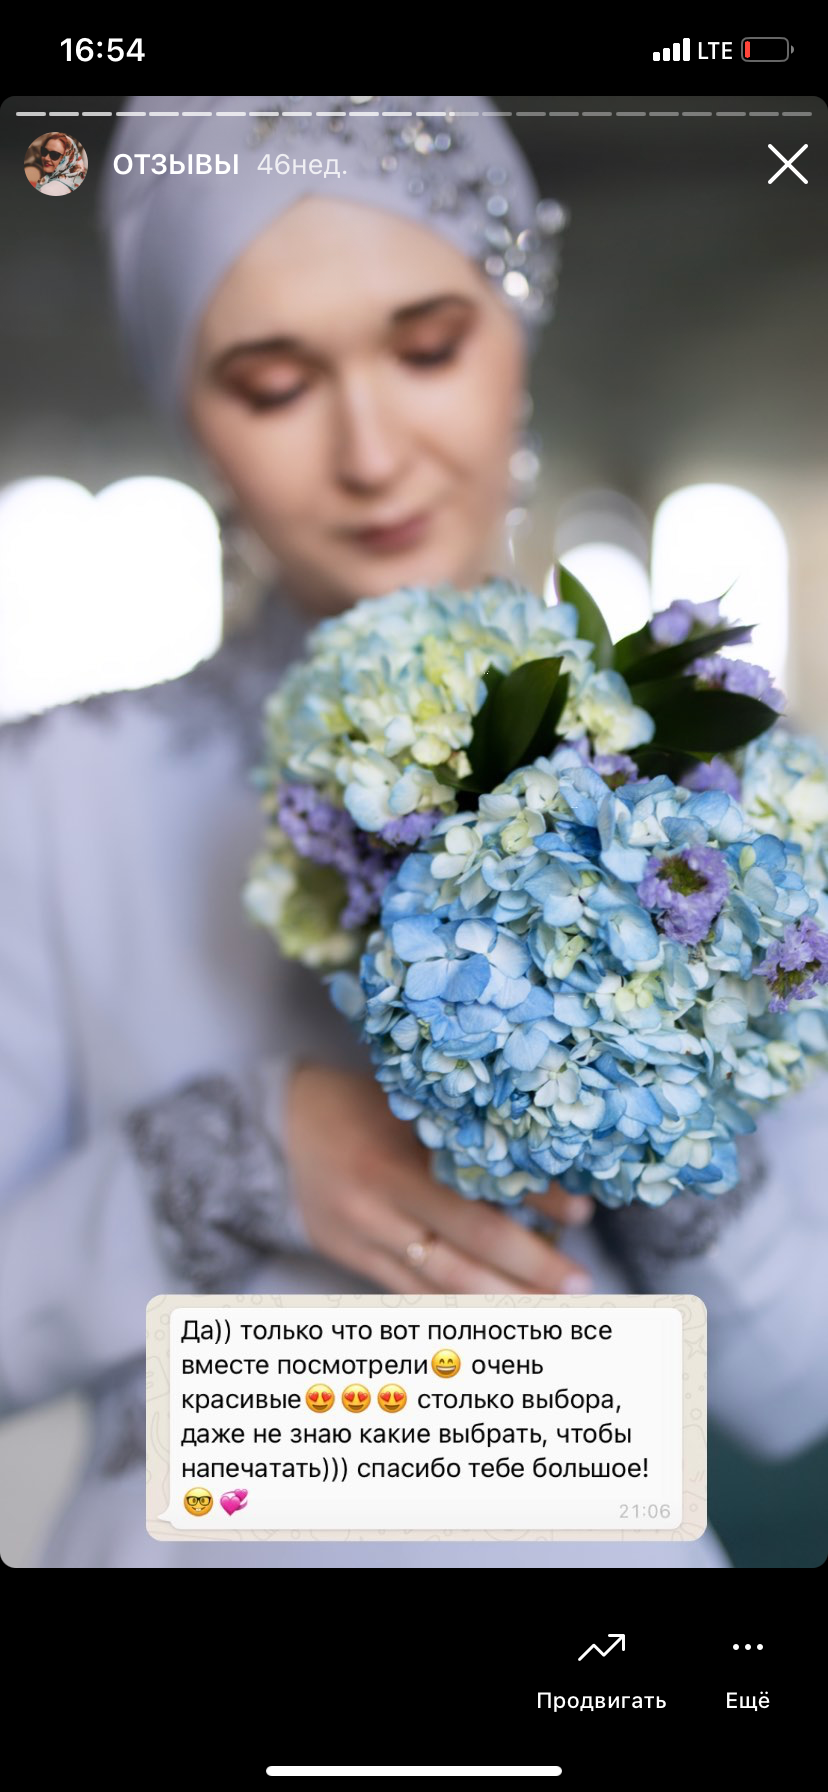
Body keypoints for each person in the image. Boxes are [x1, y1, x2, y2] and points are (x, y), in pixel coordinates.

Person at [1, 96, 826, 1570]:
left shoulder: (725, 797)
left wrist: (659, 1093)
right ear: (187, 409)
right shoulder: (57, 797)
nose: (372, 450)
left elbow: (789, 1393)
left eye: (428, 345)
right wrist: (224, 1159)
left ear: (518, 322)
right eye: (272, 381)